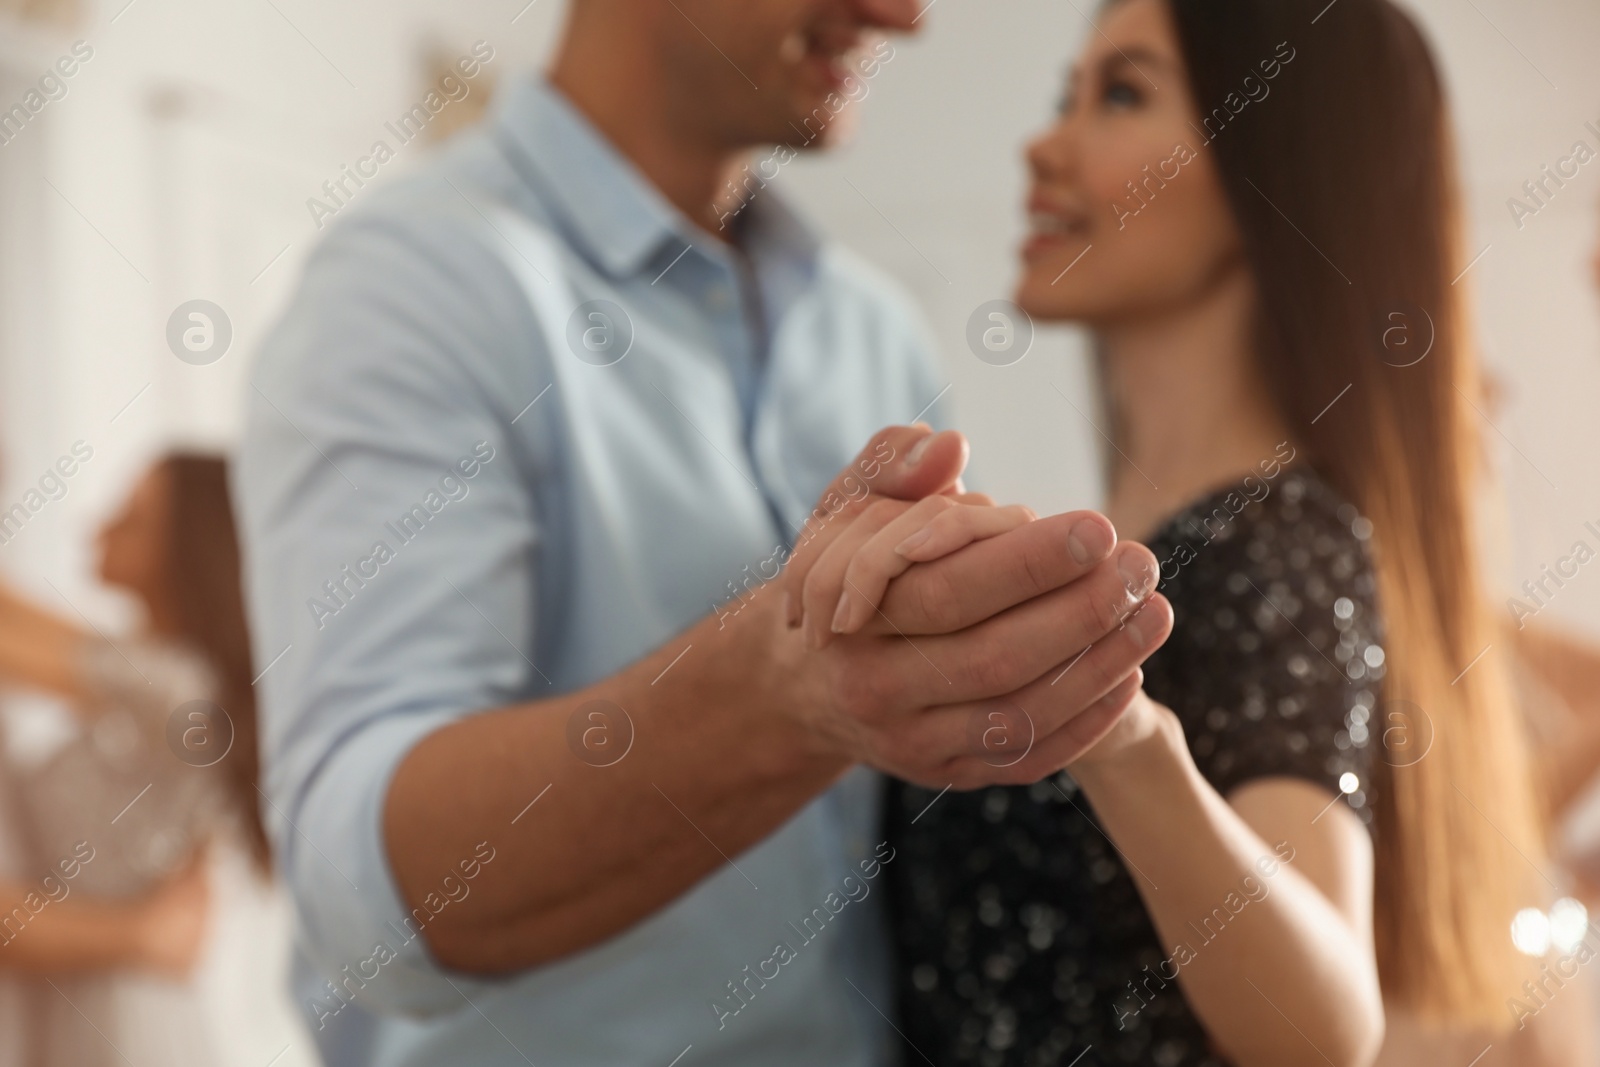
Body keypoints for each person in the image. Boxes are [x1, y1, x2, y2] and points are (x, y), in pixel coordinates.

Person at [234, 1, 1171, 1065]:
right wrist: (788, 689)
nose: (904, 16)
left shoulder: (871, 331)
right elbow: (365, 901)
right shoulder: (411, 287)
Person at [812, 0, 1551, 1064]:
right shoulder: (1185, 545)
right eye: (1065, 95)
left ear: (1274, 163)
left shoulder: (1281, 544)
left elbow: (1320, 1027)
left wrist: (1115, 726)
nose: (1043, 141)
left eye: (1121, 93)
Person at [0, 452, 268, 1065]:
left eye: (132, 518)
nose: (99, 527)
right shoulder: (146, 684)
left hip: (127, 1030)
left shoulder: (177, 692)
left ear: (185, 548)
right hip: (76, 1013)